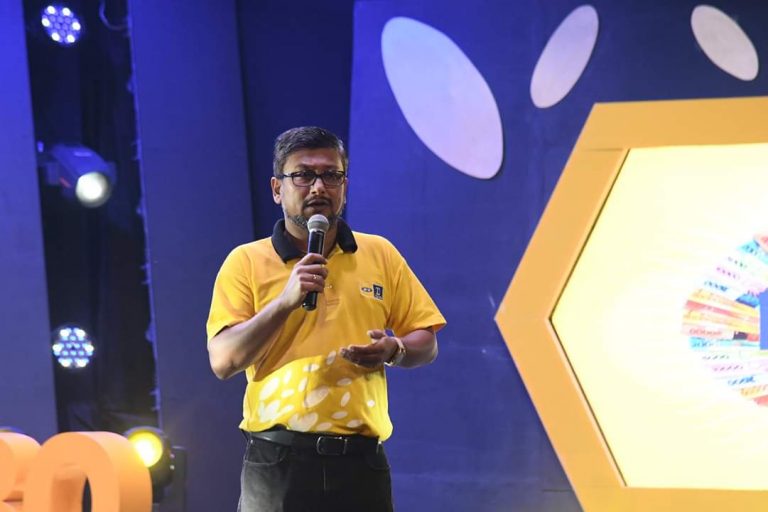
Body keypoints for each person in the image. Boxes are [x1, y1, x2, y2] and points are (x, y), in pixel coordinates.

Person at [206, 126, 446, 511]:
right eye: (303, 175)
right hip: (278, 460)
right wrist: (284, 302)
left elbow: (427, 341)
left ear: (344, 187)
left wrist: (395, 349)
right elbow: (223, 361)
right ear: (277, 189)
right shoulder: (245, 261)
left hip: (361, 462)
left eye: (331, 175)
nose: (318, 187)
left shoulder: (380, 254)